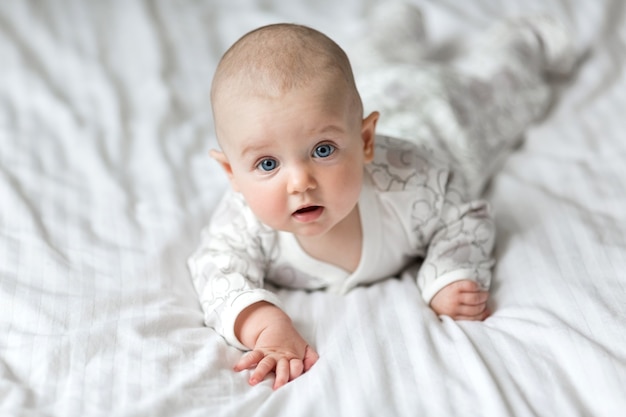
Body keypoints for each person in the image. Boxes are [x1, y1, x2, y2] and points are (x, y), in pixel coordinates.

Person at [188, 12, 575, 390]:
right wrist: (263, 323)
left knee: (497, 91)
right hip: (371, 89)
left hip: (443, 117)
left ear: (366, 141)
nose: (300, 182)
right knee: (369, 65)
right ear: (232, 175)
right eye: (267, 163)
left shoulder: (415, 185)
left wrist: (449, 272)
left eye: (323, 150)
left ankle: (525, 37)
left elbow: (463, 217)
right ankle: (399, 22)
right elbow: (217, 268)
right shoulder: (243, 221)